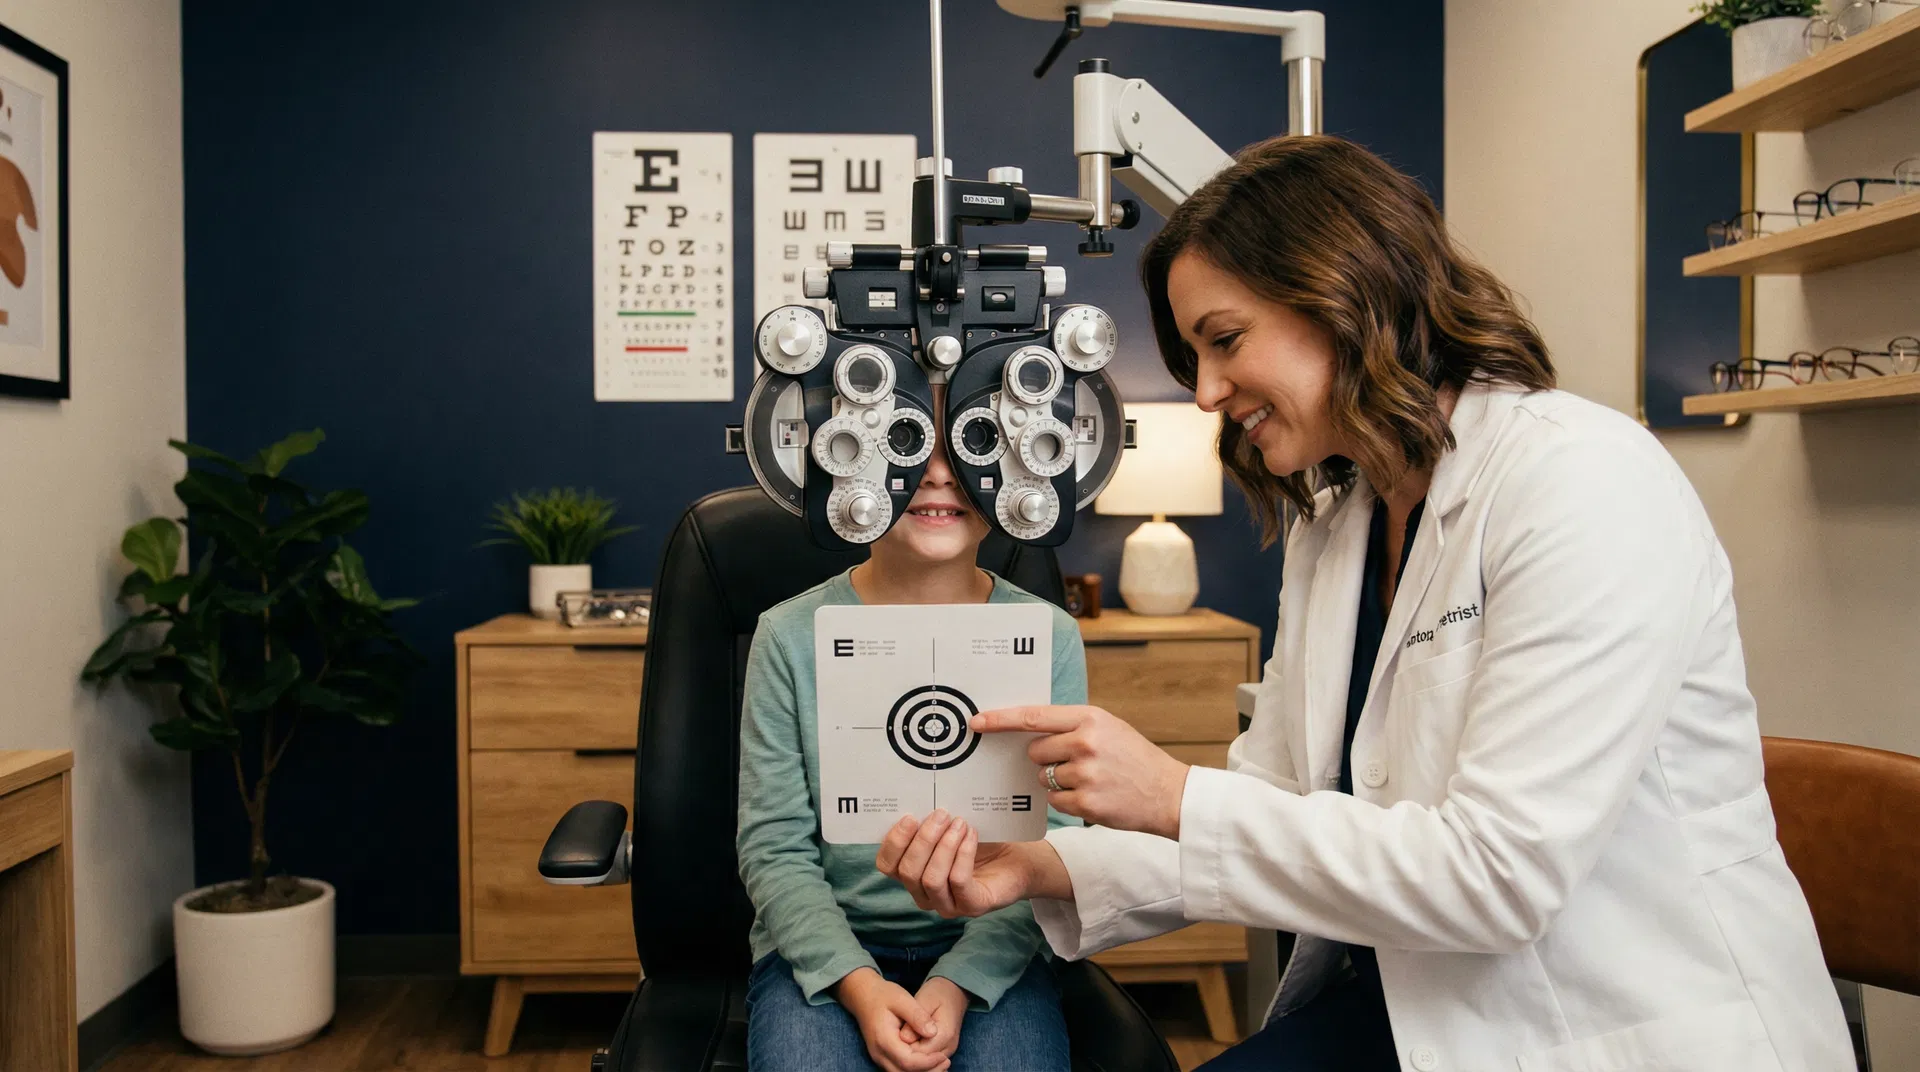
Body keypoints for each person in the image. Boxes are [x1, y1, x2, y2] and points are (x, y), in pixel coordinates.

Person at [877, 136, 1854, 1072]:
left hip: (1605, 1025)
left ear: (1341, 291)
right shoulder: (1340, 520)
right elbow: (1270, 808)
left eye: (1223, 341)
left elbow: (1498, 877)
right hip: (1413, 1002)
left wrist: (1172, 791)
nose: (1209, 391)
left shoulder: (1583, 481)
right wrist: (1037, 868)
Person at [737, 390, 1083, 1072]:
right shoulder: (788, 636)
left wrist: (957, 985)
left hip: (992, 948)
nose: (938, 472)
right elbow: (774, 847)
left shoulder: (1051, 637)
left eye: (973, 445)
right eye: (905, 442)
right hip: (826, 951)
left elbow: (1059, 847)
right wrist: (861, 989)